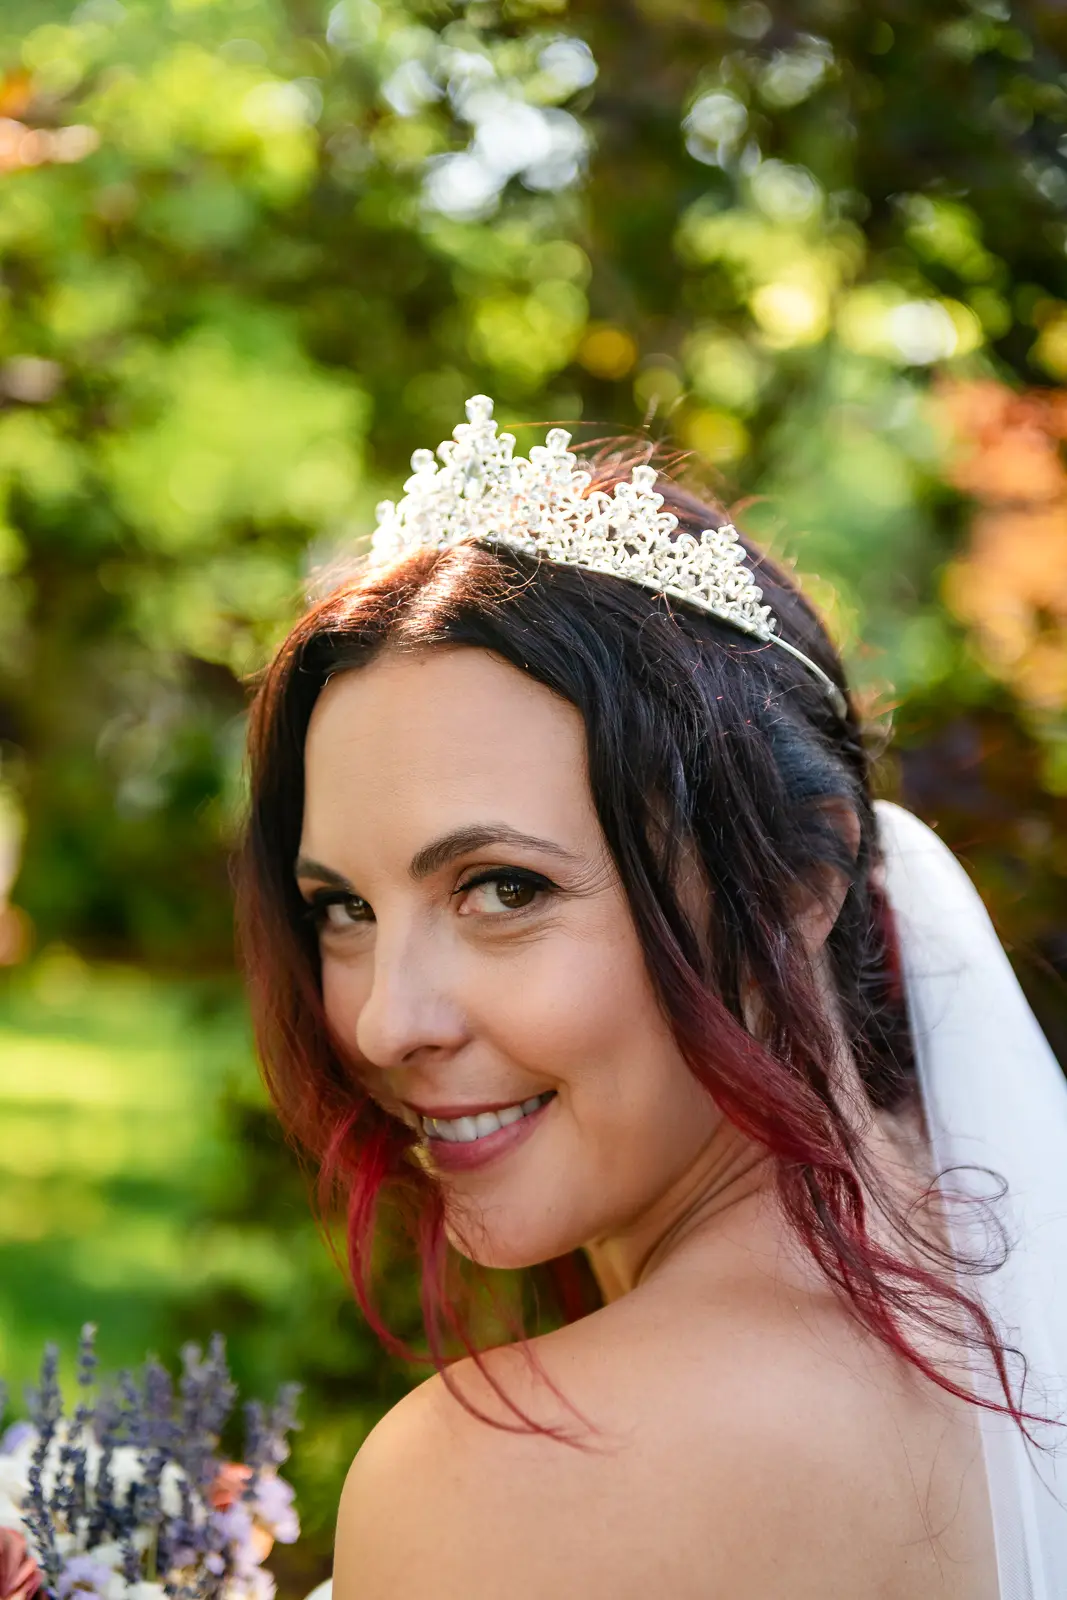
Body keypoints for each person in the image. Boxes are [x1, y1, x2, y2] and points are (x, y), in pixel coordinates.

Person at [236, 398, 1067, 1598]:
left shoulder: (506, 1483)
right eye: (343, 907)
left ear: (797, 883)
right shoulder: (1011, 1303)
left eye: (503, 887)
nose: (386, 1021)